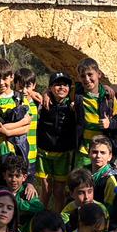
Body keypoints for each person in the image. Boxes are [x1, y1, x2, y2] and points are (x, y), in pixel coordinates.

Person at [37, 70, 81, 210]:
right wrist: (45, 93)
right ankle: (41, 217)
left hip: (63, 153)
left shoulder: (72, 105)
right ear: (50, 87)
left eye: (65, 85)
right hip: (44, 152)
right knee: (45, 189)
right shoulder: (42, 103)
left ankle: (58, 218)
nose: (61, 87)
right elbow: (28, 91)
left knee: (59, 191)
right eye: (57, 84)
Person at [75, 58, 117, 162]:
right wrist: (47, 92)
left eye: (90, 74)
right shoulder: (76, 95)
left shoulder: (108, 98)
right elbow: (58, 93)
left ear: (99, 74)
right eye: (83, 76)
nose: (87, 79)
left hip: (104, 153)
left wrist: (110, 124)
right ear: (79, 78)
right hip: (83, 152)